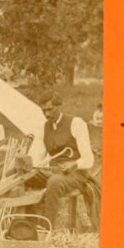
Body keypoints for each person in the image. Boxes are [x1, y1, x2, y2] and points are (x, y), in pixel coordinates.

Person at [22, 93, 100, 229]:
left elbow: (88, 158)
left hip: (76, 174)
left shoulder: (76, 123)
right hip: (54, 171)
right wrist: (25, 163)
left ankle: (46, 227)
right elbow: (36, 158)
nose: (46, 114)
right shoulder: (44, 128)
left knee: (54, 182)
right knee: (24, 178)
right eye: (43, 110)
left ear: (59, 106)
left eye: (50, 109)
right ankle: (28, 224)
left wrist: (74, 164)